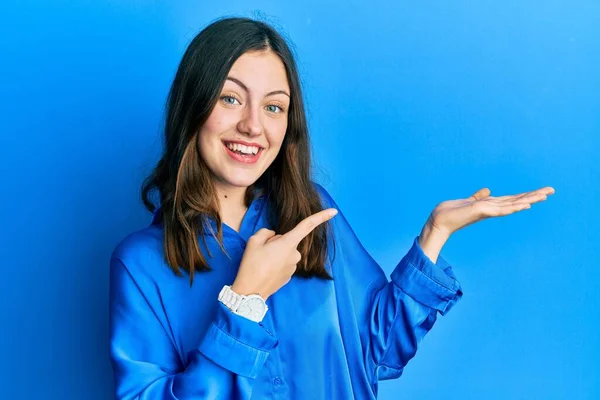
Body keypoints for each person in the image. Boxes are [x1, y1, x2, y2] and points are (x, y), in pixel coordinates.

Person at [108, 16, 555, 400]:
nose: (252, 125)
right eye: (230, 98)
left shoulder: (313, 214)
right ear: (193, 106)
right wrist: (245, 301)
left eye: (274, 107)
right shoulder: (141, 264)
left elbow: (377, 353)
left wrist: (434, 235)